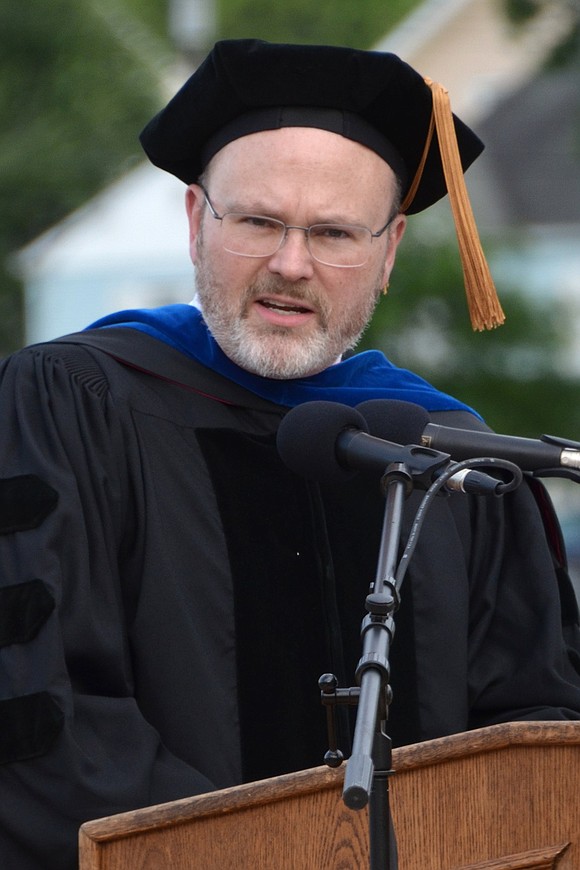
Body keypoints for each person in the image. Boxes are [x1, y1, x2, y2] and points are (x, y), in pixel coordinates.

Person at [1, 39, 579, 869]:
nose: (290, 264)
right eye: (259, 221)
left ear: (386, 257)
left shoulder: (455, 460)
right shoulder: (71, 403)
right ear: (198, 222)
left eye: (335, 232)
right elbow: (38, 712)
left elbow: (534, 724)